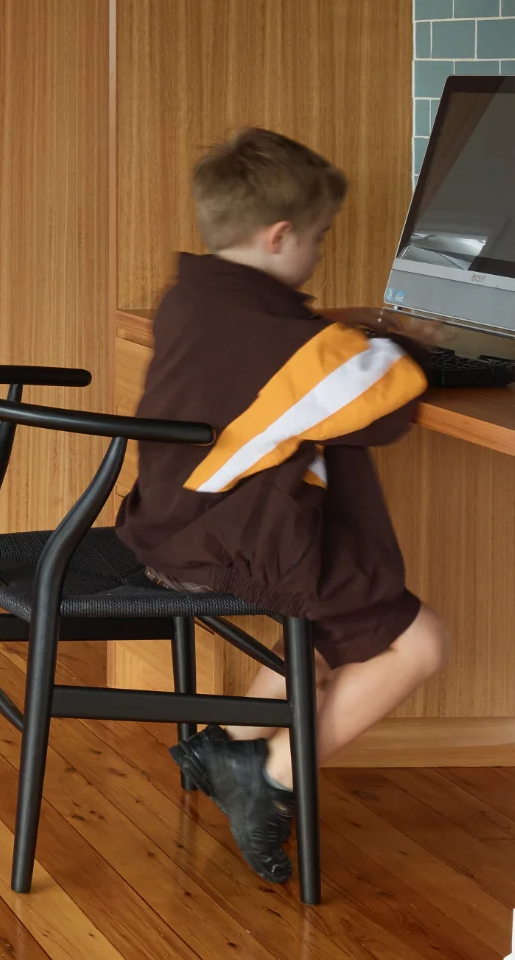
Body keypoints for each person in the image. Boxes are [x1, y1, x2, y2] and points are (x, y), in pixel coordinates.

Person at [113, 127, 448, 882]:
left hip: (169, 527)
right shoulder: (286, 341)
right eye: (320, 239)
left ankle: (226, 741)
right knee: (419, 643)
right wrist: (408, 342)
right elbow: (385, 400)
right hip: (211, 543)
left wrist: (340, 327)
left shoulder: (192, 300)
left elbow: (286, 372)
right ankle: (272, 778)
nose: (320, 256)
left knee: (329, 616)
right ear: (279, 236)